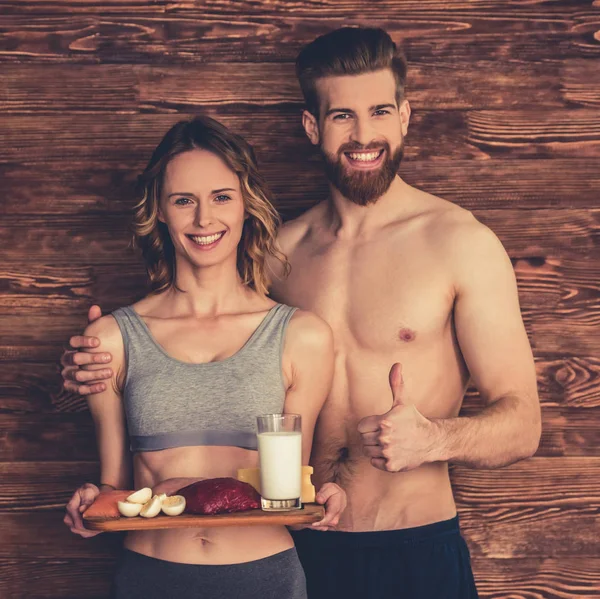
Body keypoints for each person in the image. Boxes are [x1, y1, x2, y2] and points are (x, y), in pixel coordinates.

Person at [62, 27, 542, 599]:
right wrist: (95, 365)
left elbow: (523, 424)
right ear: (313, 126)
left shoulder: (459, 243)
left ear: (406, 116)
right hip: (291, 545)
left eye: (380, 111)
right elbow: (194, 339)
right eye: (342, 116)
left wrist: (434, 439)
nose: (363, 135)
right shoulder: (274, 255)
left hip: (408, 545)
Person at [62, 116, 346, 599]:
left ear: (245, 206)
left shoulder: (302, 336)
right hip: (151, 577)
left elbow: (291, 495)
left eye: (221, 197)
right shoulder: (111, 339)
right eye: (183, 201)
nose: (203, 219)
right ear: (160, 212)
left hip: (265, 577)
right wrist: (94, 501)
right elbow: (115, 488)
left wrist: (323, 497)